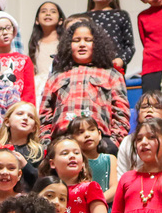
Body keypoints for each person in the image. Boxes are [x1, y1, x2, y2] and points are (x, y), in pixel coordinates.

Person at [39, 18, 130, 148]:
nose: (82, 44)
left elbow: (121, 112)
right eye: (76, 40)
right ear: (68, 45)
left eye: (88, 40)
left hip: (100, 144)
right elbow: (44, 115)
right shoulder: (56, 77)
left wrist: (113, 143)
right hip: (62, 142)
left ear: (97, 44)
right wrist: (47, 144)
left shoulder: (112, 75)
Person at [85, 0, 135, 71]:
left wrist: (120, 60)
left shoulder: (121, 15)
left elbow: (129, 47)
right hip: (88, 70)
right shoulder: (83, 18)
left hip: (114, 70)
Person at [0, 12, 35, 104]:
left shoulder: (24, 60)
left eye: (8, 28)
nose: (5, 32)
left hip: (18, 109)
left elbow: (29, 93)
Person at [66, 114, 118, 204]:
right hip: (80, 207)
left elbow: (115, 188)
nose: (87, 135)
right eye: (80, 132)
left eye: (91, 130)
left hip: (105, 207)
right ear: (72, 139)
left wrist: (96, 202)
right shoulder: (73, 162)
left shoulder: (110, 159)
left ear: (99, 134)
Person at [28, 1, 65, 80]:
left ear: (60, 20)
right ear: (37, 20)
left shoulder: (64, 42)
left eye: (53, 11)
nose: (48, 14)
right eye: (43, 11)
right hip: (39, 83)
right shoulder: (35, 44)